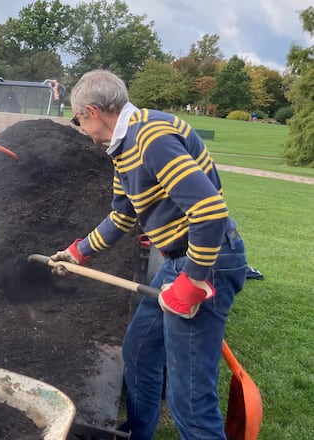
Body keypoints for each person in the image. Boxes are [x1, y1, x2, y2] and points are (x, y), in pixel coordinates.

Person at [53, 70, 247, 440]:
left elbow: (209, 210)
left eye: (78, 120)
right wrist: (79, 253)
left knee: (190, 399)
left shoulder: (150, 138)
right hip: (177, 262)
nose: (81, 129)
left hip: (206, 263)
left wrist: (192, 282)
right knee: (139, 349)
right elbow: (122, 214)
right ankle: (139, 434)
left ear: (92, 111)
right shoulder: (122, 148)